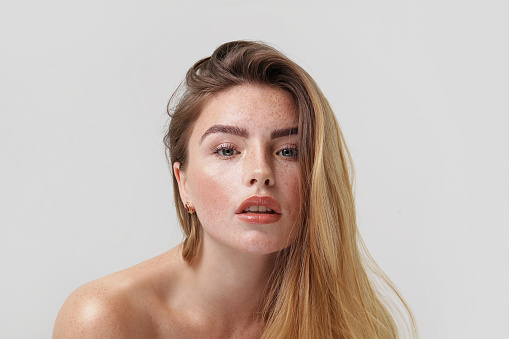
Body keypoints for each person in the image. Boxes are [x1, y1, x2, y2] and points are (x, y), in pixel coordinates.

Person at [53, 40, 417, 338]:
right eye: (227, 150)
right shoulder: (104, 319)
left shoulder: (355, 326)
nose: (261, 172)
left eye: (289, 151)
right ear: (183, 185)